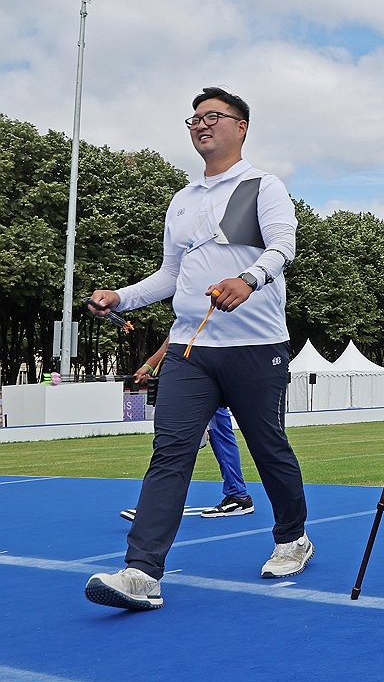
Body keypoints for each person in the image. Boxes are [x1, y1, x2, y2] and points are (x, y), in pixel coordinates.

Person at [84, 87, 312, 611]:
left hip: (256, 346)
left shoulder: (262, 186)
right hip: (189, 349)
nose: (202, 125)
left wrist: (249, 279)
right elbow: (170, 274)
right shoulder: (183, 200)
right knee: (170, 453)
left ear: (241, 127)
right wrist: (122, 297)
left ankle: (292, 537)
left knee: (268, 447)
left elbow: (283, 247)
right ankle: (141, 573)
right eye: (194, 119)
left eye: (214, 116)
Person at [119, 339, 254, 521]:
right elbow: (172, 339)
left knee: (175, 441)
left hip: (202, 377)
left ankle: (154, 506)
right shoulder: (192, 315)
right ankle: (238, 495)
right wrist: (149, 366)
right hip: (204, 377)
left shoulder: (209, 314)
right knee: (220, 435)